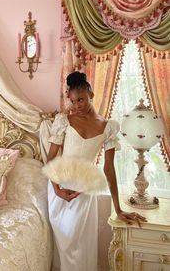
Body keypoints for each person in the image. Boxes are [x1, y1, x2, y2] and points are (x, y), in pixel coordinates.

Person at [47, 71, 146, 271]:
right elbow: (51, 159)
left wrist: (117, 209)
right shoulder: (64, 121)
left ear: (90, 93)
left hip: (83, 193)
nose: (77, 106)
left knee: (79, 249)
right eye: (73, 102)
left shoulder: (107, 127)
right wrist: (57, 189)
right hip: (59, 191)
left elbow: (109, 169)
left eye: (81, 100)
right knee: (65, 247)